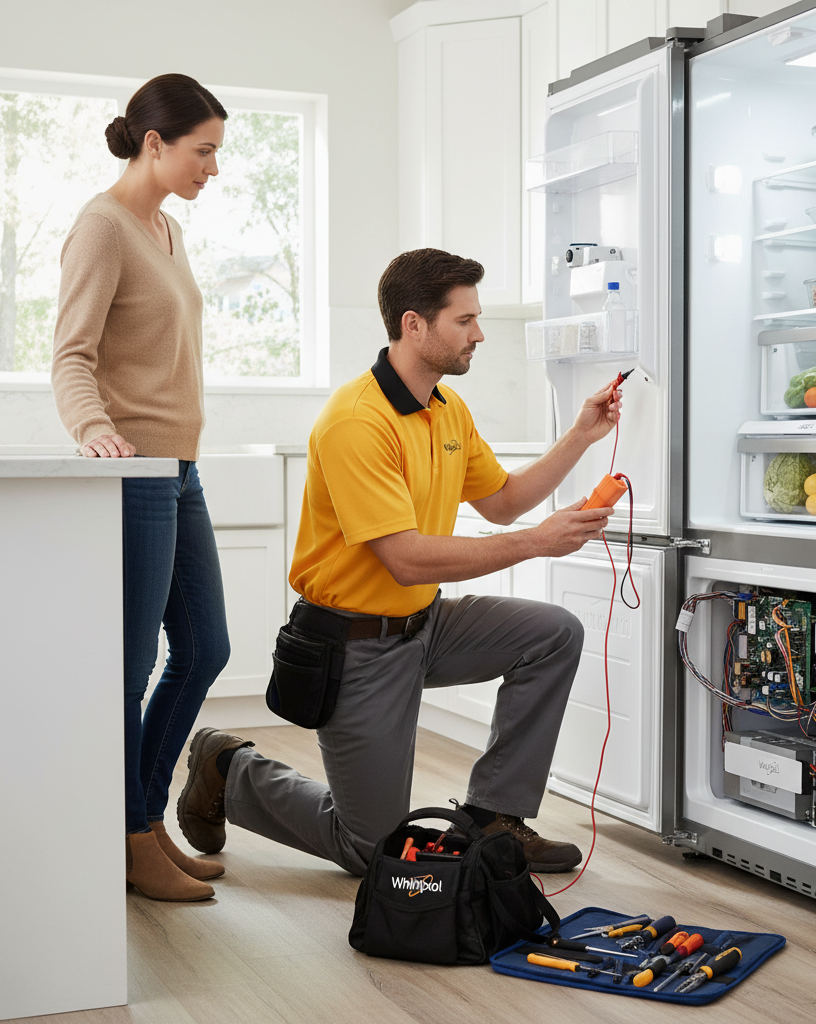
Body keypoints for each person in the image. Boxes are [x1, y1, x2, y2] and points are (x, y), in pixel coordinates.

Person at [177, 248, 621, 876]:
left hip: (426, 626)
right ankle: (229, 770)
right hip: (357, 644)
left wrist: (580, 433)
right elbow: (406, 560)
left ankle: (494, 817)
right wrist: (537, 543)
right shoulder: (358, 420)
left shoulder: (445, 408)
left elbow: (502, 502)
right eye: (464, 320)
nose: (479, 333)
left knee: (552, 634)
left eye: (477, 318)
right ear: (415, 325)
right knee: (370, 850)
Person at [51, 74, 231, 901]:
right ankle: (125, 838)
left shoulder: (165, 229)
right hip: (134, 471)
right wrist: (93, 429)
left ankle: (142, 821)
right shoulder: (102, 227)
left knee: (205, 648)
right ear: (155, 142)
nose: (213, 168)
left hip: (180, 467)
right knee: (131, 667)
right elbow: (71, 354)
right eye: (204, 151)